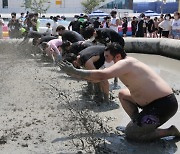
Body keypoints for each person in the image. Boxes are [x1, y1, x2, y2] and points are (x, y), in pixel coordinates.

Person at [58, 43, 180, 142]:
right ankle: (137, 122)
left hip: (163, 105)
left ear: (117, 56)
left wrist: (76, 71)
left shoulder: (126, 63)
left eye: (106, 56)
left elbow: (102, 75)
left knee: (132, 135)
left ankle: (170, 131)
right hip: (149, 103)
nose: (104, 59)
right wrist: (75, 73)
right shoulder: (122, 63)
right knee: (123, 94)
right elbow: (96, 78)